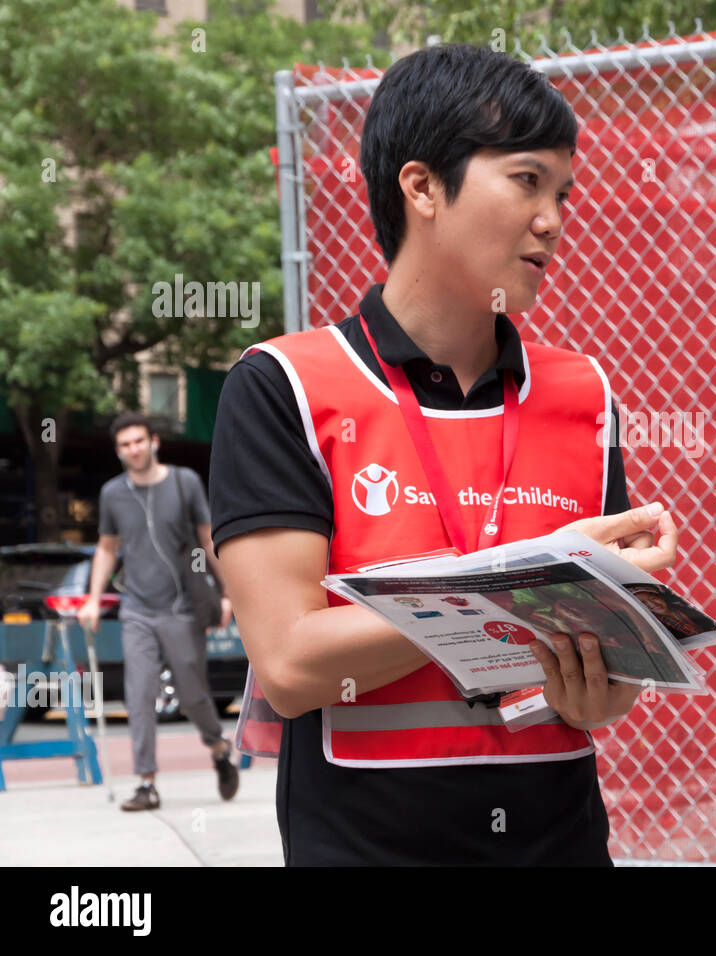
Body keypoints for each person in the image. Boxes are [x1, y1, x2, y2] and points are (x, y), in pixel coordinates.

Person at [209, 44, 678, 865]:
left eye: (563, 192)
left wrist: (605, 688)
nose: (554, 220)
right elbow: (288, 662)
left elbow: (614, 692)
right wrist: (531, 575)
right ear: (422, 187)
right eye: (527, 181)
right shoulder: (284, 385)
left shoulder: (584, 393)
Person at [78, 412, 238, 811]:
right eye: (125, 444)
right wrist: (94, 598)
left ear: (154, 441)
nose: (133, 449)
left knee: (193, 695)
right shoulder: (113, 493)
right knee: (140, 692)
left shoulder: (184, 483)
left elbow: (207, 539)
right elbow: (106, 548)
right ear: (119, 451)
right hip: (137, 608)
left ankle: (218, 747)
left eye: (138, 440)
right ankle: (146, 783)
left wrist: (228, 593)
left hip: (182, 608)